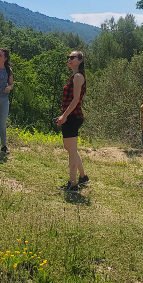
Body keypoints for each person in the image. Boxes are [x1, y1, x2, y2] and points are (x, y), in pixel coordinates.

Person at [56, 51, 88, 191]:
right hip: (72, 116)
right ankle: (82, 177)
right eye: (68, 57)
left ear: (80, 60)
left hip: (73, 117)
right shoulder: (74, 77)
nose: (69, 59)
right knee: (71, 149)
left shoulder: (78, 77)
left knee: (71, 150)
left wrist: (64, 116)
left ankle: (73, 183)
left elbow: (75, 100)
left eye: (72, 57)